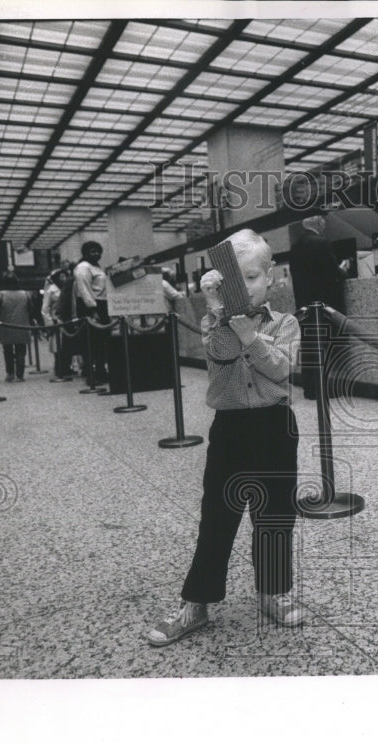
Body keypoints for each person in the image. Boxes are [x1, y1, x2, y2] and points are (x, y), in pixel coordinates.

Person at [146, 229, 303, 646]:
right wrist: (218, 312)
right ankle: (196, 602)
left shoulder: (286, 322)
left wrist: (252, 335)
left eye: (252, 277)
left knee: (275, 517)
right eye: (235, 279)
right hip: (230, 429)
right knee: (217, 517)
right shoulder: (210, 321)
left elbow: (283, 370)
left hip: (276, 426)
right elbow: (220, 354)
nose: (247, 287)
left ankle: (272, 590)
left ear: (270, 277)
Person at [288, 215, 351, 399]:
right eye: (323, 221)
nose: (325, 224)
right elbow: (332, 273)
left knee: (309, 348)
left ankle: (310, 388)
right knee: (324, 348)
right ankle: (323, 389)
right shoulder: (321, 243)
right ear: (319, 223)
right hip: (323, 305)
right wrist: (343, 269)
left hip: (304, 305)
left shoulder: (296, 246)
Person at [72, 240, 109, 384]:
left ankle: (100, 371)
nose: (97, 254)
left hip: (102, 304)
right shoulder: (83, 267)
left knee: (100, 342)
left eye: (98, 251)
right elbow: (84, 290)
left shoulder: (96, 267)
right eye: (93, 251)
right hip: (92, 306)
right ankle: (92, 375)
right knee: (92, 342)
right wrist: (93, 310)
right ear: (85, 253)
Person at [0, 272, 32, 382]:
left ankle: (10, 373)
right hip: (22, 326)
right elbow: (30, 310)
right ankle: (20, 374)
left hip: (6, 326)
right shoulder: (26, 294)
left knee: (7, 350)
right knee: (21, 351)